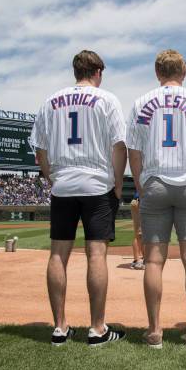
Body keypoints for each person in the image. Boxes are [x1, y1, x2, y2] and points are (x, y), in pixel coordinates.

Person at [29, 50, 127, 347]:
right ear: (97, 71)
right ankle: (97, 329)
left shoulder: (50, 101)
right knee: (96, 255)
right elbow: (119, 146)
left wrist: (51, 177)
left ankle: (60, 328)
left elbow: (40, 151)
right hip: (97, 184)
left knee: (58, 254)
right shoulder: (107, 99)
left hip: (63, 185)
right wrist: (118, 185)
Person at [127, 49, 186, 349]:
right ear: (184, 72)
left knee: (154, 260)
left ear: (158, 73)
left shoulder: (141, 103)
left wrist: (142, 186)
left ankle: (154, 331)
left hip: (154, 181)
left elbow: (134, 152)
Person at [130, 191, 145, 270]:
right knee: (139, 234)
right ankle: (137, 260)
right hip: (139, 202)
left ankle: (142, 259)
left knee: (141, 234)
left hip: (138, 201)